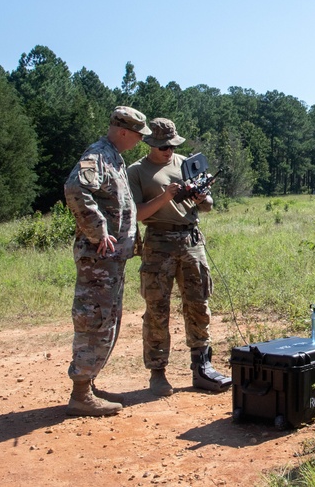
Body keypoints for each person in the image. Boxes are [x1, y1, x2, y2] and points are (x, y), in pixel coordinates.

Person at [127, 118, 232, 397]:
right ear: (150, 143)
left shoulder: (186, 164)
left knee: (198, 305)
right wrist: (166, 197)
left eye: (172, 145)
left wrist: (199, 197)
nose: (168, 151)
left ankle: (202, 366)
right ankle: (158, 372)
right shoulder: (137, 171)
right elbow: (136, 214)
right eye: (162, 146)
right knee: (157, 309)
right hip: (158, 242)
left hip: (190, 240)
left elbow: (208, 206)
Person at [63, 105, 151, 417]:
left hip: (112, 260)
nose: (141, 141)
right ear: (124, 131)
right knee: (94, 321)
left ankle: (89, 384)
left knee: (107, 320)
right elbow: (75, 188)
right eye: (139, 135)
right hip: (98, 260)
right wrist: (98, 232)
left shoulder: (114, 156)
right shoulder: (98, 155)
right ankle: (81, 393)